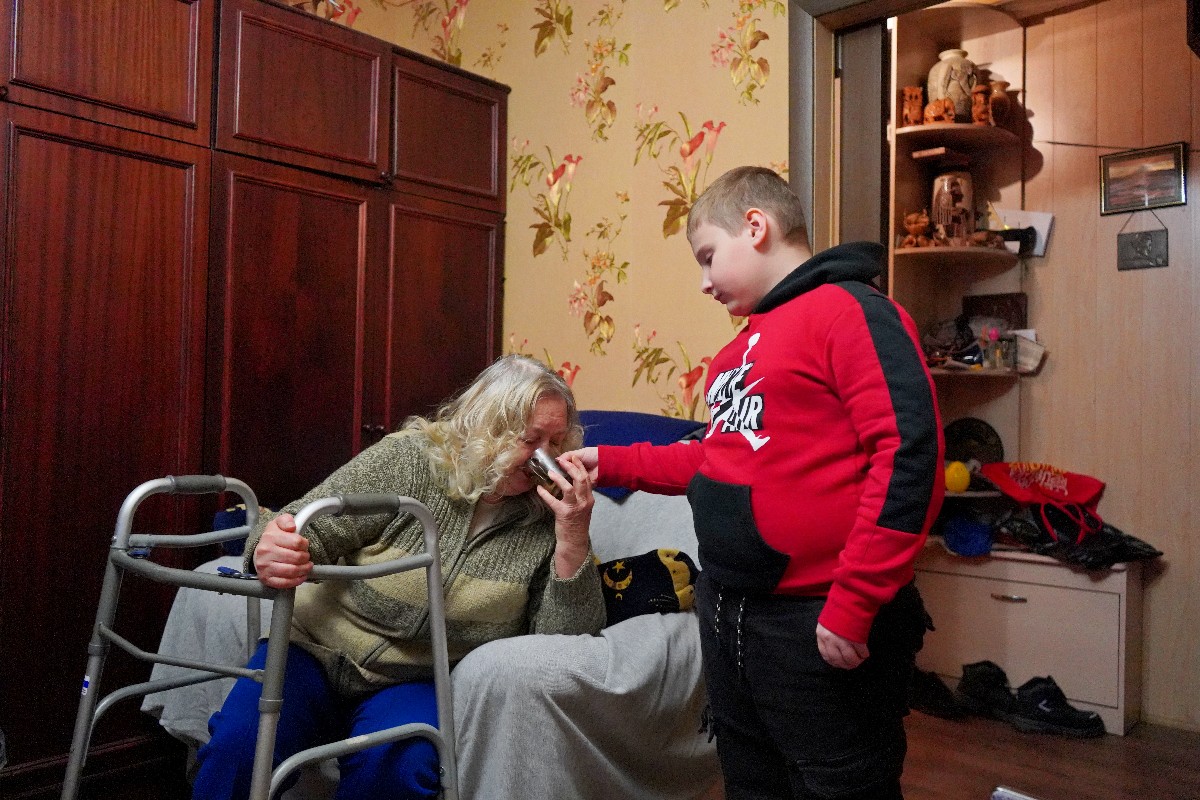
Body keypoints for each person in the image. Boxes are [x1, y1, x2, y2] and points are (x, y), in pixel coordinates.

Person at [571, 166, 945, 799]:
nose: (703, 281)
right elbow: (716, 461)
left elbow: (909, 452)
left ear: (755, 226)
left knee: (840, 783)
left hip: (817, 615)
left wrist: (856, 600)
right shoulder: (737, 353)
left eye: (707, 256)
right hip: (730, 609)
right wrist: (609, 462)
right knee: (750, 780)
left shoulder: (850, 312)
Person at [193, 354, 606, 800]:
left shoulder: (549, 517)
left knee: (398, 768)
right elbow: (307, 523)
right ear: (488, 428)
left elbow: (561, 648)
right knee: (239, 747)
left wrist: (572, 539)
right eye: (531, 440)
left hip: (415, 679)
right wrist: (273, 546)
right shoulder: (411, 460)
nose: (545, 458)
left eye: (556, 442)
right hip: (314, 650)